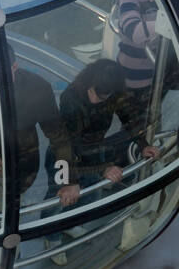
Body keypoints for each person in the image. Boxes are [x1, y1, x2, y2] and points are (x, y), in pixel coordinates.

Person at [0, 46, 72, 218]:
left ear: (14, 67)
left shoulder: (37, 88)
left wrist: (68, 180)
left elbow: (58, 135)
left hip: (19, 164)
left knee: (8, 216)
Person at [45, 60, 159, 213]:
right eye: (92, 92)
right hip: (63, 155)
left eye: (101, 98)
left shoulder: (114, 93)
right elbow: (69, 141)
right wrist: (71, 180)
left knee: (91, 193)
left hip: (94, 150)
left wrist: (143, 144)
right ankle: (51, 236)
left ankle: (74, 224)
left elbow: (129, 117)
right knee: (59, 196)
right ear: (89, 83)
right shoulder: (71, 98)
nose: (93, 100)